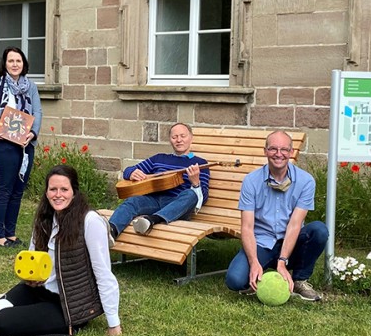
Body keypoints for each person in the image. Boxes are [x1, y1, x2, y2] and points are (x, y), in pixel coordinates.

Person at [0, 165, 122, 336]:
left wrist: (113, 324)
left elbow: (104, 274)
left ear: (74, 192)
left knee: (1, 322)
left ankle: (53, 321)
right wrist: (8, 294)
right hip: (38, 290)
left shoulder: (90, 221)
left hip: (67, 304)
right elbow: (33, 260)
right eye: (53, 189)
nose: (58, 194)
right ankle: (18, 308)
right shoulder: (45, 218)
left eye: (64, 189)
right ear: (46, 192)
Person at [224, 130, 328, 302]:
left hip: (292, 242)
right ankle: (261, 269)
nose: (278, 154)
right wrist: (254, 261)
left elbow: (295, 224)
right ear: (265, 151)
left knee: (319, 230)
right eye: (273, 149)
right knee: (235, 281)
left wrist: (282, 261)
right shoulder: (251, 181)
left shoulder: (306, 181)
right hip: (262, 242)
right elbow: (247, 227)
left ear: (291, 152)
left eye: (284, 149)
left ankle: (300, 280)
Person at [0, 46, 43, 248]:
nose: (15, 64)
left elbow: (38, 112)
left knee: (18, 190)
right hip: (3, 144)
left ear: (23, 64)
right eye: (10, 61)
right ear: (4, 64)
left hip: (24, 145)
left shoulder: (30, 86)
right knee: (4, 190)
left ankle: (10, 232)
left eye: (18, 61)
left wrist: (33, 133)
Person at [108, 122, 210, 239]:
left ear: (191, 138)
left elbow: (203, 197)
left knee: (191, 194)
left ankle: (153, 220)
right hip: (154, 201)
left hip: (177, 206)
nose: (178, 140)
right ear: (170, 140)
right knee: (133, 201)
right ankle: (111, 231)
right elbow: (129, 170)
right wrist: (131, 173)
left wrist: (196, 183)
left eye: (183, 136)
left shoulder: (200, 163)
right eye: (174, 137)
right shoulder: (159, 158)